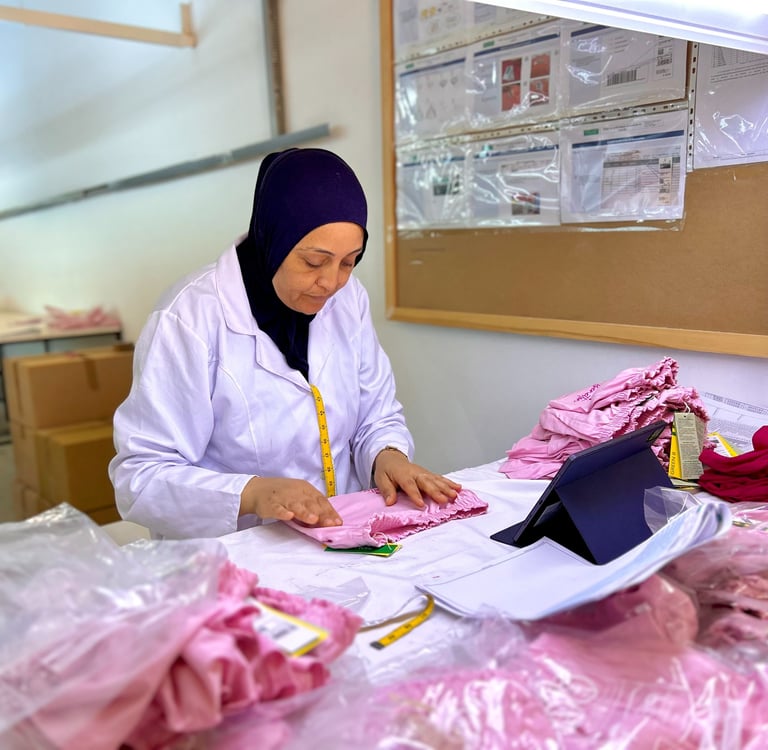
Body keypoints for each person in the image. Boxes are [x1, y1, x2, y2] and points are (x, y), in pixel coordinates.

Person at [109, 147, 461, 539]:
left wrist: (387, 456)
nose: (332, 282)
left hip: (336, 536)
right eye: (314, 262)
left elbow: (375, 416)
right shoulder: (188, 318)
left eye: (349, 261)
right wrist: (251, 493)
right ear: (273, 239)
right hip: (231, 553)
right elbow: (141, 476)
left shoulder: (349, 299)